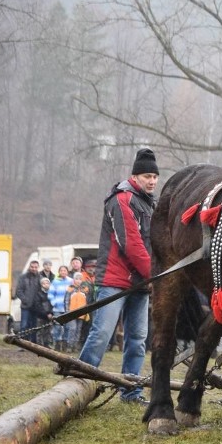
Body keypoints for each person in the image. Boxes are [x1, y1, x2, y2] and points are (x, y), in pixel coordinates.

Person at [79, 148, 160, 405]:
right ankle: (78, 383)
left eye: (155, 177)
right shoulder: (122, 199)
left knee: (137, 340)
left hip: (140, 283)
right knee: (102, 333)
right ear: (135, 176)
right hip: (114, 281)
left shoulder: (150, 203)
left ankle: (131, 391)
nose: (152, 181)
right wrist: (155, 276)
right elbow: (132, 245)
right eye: (147, 176)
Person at [16, 260, 42, 344]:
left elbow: (42, 291)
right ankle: (22, 343)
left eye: (35, 267)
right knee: (24, 325)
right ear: (29, 267)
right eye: (32, 267)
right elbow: (19, 291)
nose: (34, 269)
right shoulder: (23, 277)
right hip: (25, 306)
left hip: (36, 306)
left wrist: (38, 301)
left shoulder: (40, 278)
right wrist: (25, 300)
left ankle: (33, 343)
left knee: (34, 326)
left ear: (38, 268)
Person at [64, 273, 92, 352]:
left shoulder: (85, 289)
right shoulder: (70, 288)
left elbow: (87, 301)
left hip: (81, 312)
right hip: (72, 312)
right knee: (72, 328)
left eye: (80, 279)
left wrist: (86, 311)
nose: (78, 281)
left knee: (78, 329)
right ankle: (69, 345)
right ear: (73, 279)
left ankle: (75, 346)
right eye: (77, 279)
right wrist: (67, 311)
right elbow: (66, 300)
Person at [49, 265, 74, 352]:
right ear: (59, 272)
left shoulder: (71, 281)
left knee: (67, 327)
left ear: (67, 272)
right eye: (61, 270)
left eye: (65, 270)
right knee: (57, 327)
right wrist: (54, 302)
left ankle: (65, 345)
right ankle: (57, 343)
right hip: (57, 308)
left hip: (68, 308)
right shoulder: (55, 282)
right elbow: (50, 294)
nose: (63, 272)